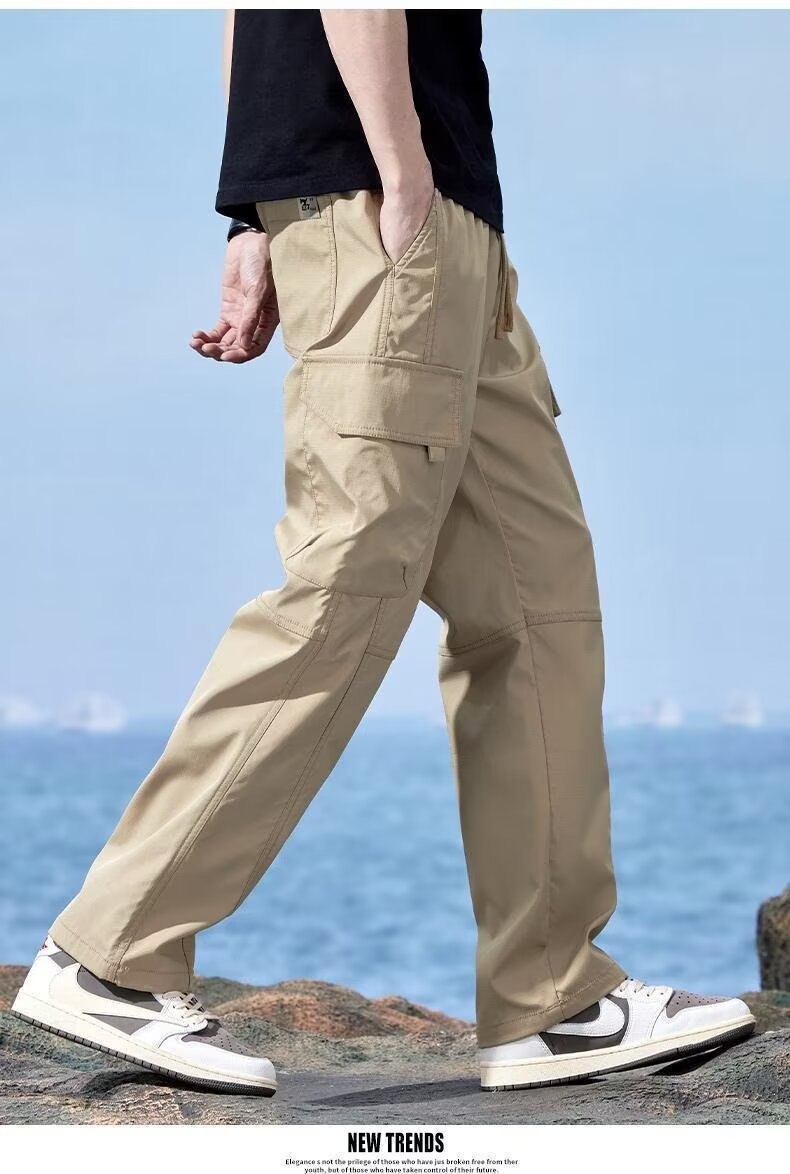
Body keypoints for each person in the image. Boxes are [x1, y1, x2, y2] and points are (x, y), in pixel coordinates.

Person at [14, 10, 753, 1097]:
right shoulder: (393, 184)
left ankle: (550, 999)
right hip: (389, 205)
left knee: (538, 606)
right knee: (347, 583)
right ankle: (109, 957)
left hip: (439, 224)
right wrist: (396, 174)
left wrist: (257, 207)